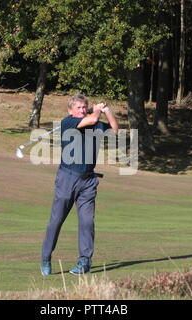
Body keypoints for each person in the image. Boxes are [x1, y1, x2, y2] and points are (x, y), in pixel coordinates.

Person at [41, 93, 119, 275]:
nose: (82, 110)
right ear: (70, 110)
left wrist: (107, 111)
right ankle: (45, 257)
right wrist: (96, 111)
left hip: (88, 181)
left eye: (84, 107)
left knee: (86, 222)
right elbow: (91, 121)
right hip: (67, 178)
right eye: (79, 108)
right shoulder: (67, 123)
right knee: (57, 220)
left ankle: (84, 262)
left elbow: (115, 130)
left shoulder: (95, 122)